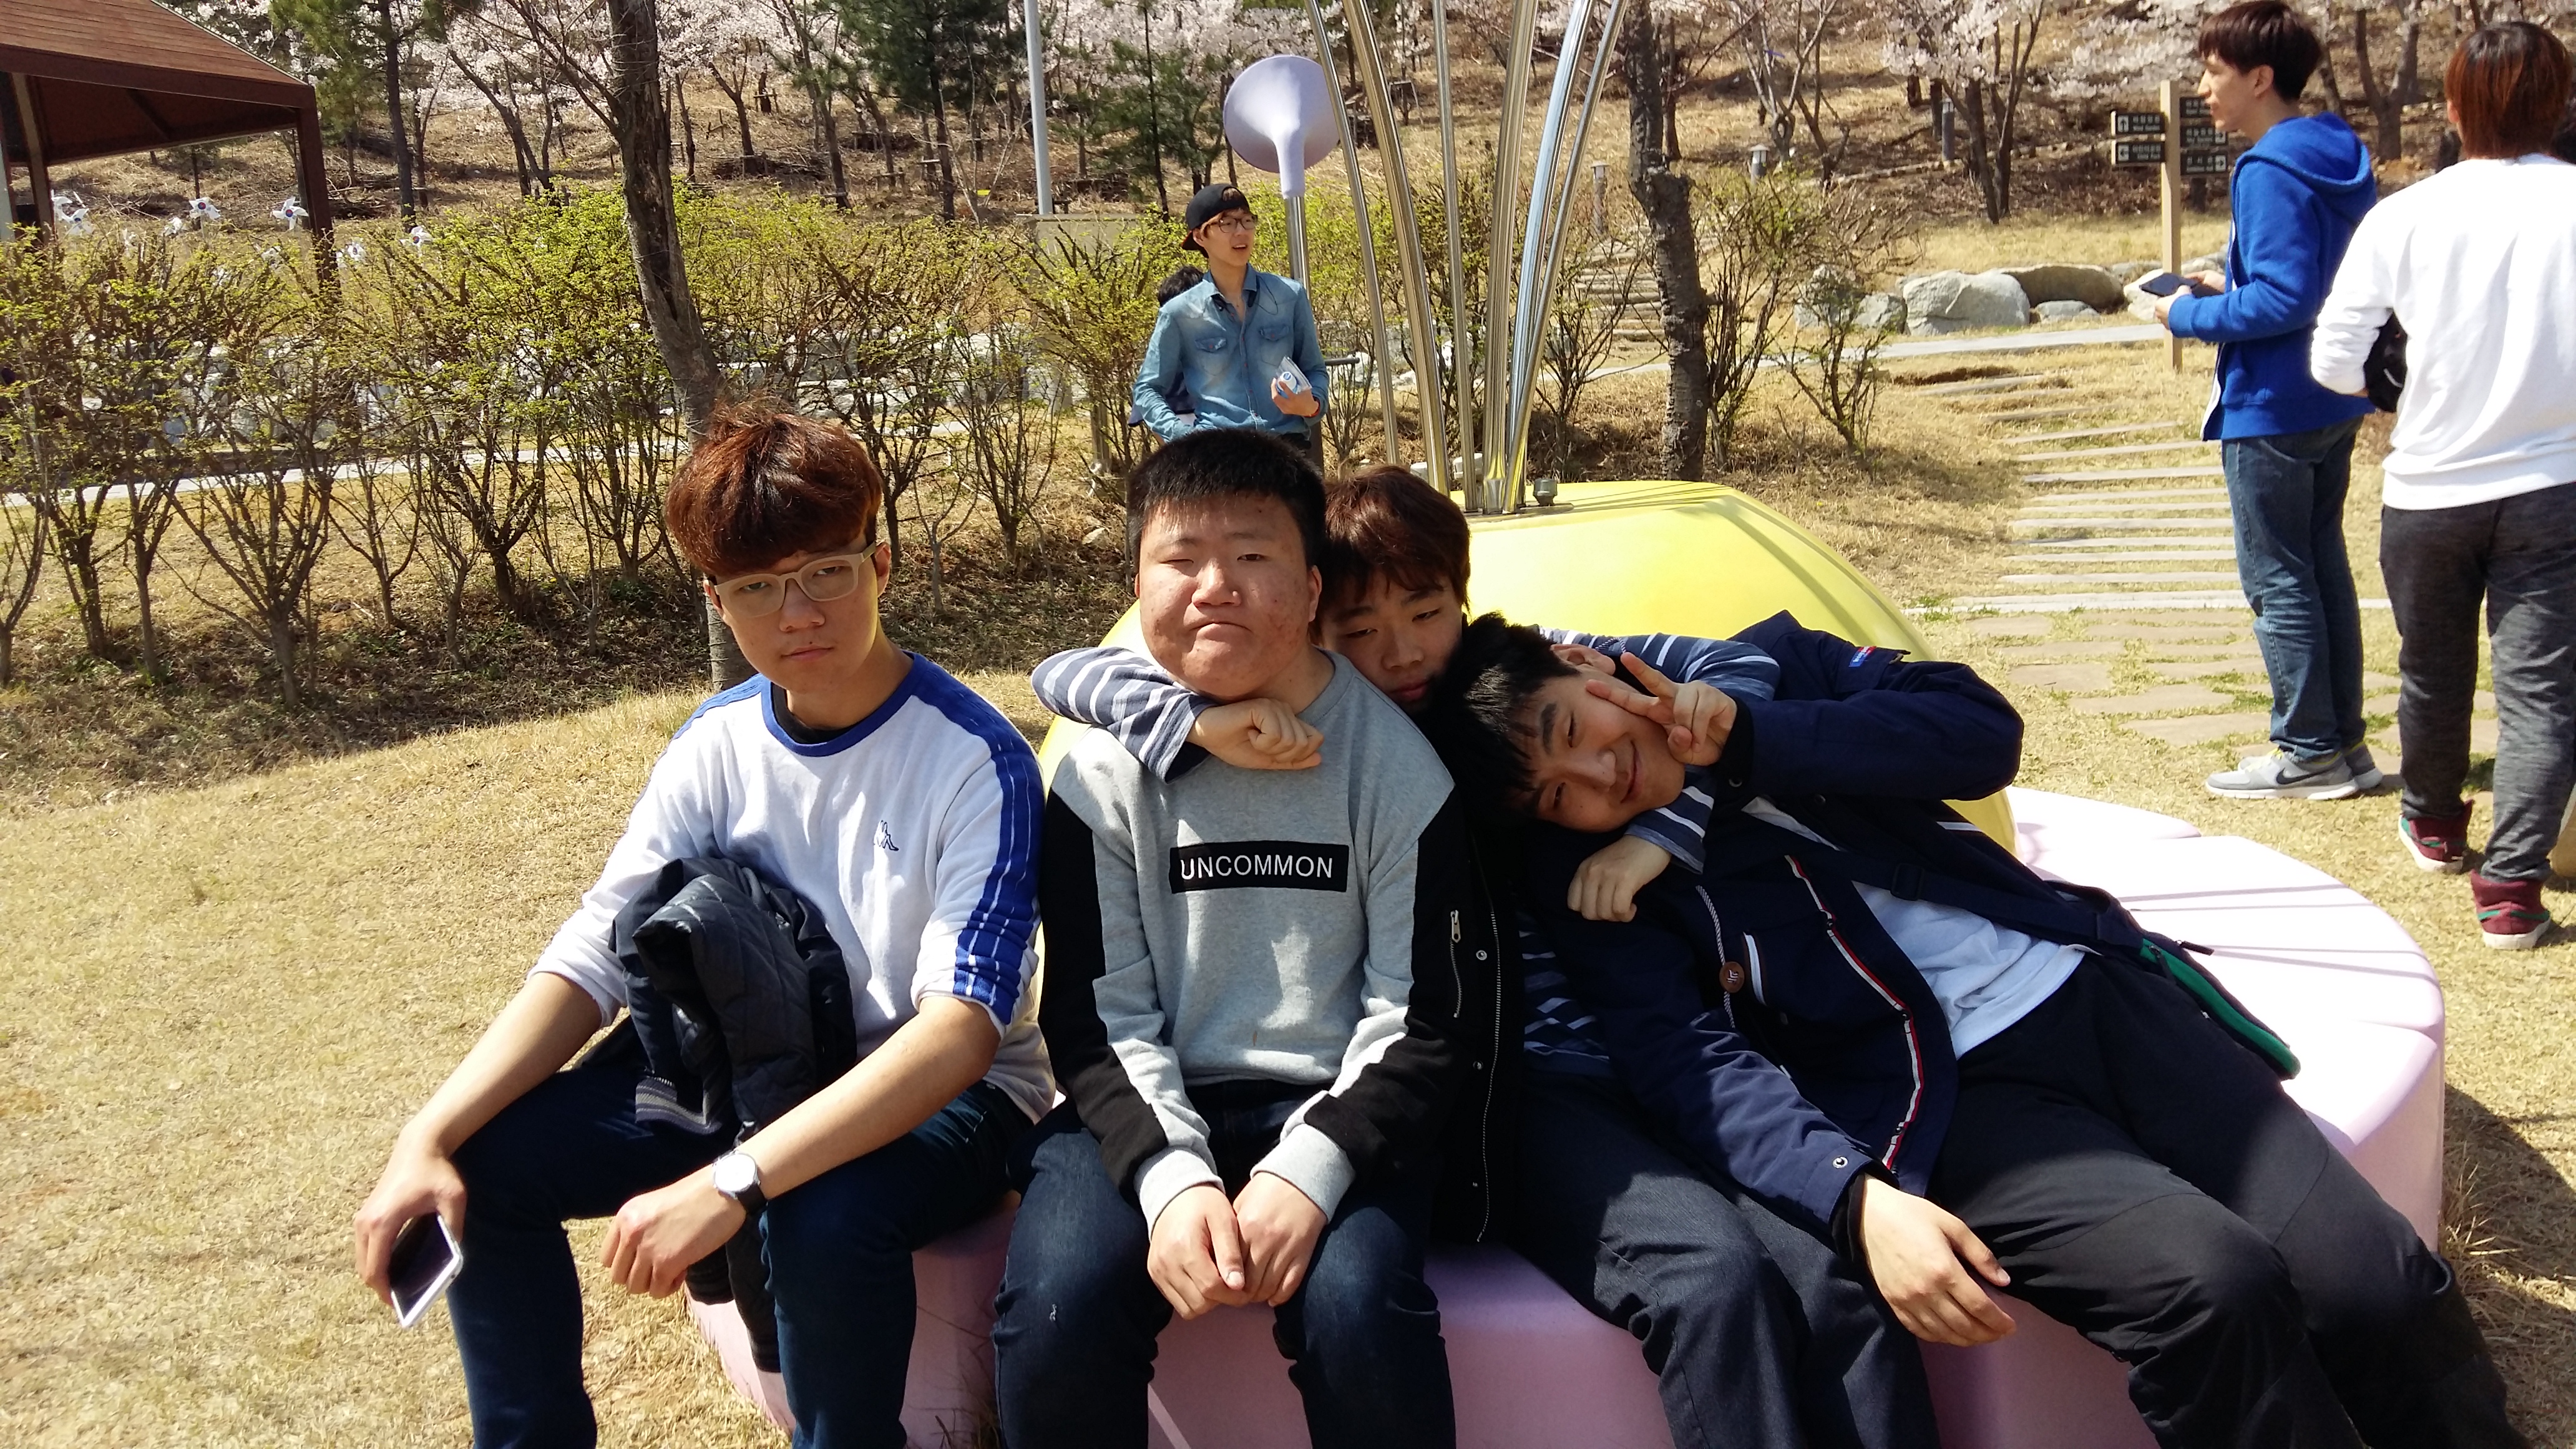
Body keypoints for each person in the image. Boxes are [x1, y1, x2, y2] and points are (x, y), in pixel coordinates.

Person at [1417, 612, 2529, 1449]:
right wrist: (1850, 1193)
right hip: (1947, 1100)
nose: (1596, 773)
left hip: (2099, 1000)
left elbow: (1976, 731)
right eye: (1555, 794)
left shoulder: (1773, 669)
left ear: (1586, 664)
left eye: (1574, 729)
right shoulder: (1594, 885)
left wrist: (1749, 743)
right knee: (2209, 1286)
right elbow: (1683, 1060)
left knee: (2372, 1277)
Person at [1029, 468, 1933, 1449]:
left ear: (1461, 597)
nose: (1402, 650)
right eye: (1364, 628)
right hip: (1535, 1073)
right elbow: (1072, 674)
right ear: (1317, 614)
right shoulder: (1339, 729)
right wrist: (1188, 721)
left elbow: (1732, 679)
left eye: (1426, 612)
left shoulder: (1519, 678)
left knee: (1827, 1281)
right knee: (1713, 1275)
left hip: (1668, 1037)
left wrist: (1661, 832)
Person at [350, 407, 1049, 1449]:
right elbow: (594, 952)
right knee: (486, 1169)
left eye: (826, 572)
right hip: (755, 1069)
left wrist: (733, 1179)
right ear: (716, 600)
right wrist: (428, 1134)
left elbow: (959, 1033)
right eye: (757, 586)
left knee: (820, 1208)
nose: (797, 612)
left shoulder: (973, 758)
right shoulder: (715, 744)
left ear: (881, 565)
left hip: (945, 1099)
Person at [990, 431, 1503, 1449]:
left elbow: (1420, 1018)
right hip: (1143, 1099)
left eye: (1252, 554)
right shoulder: (1097, 773)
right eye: (1180, 558)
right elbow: (1096, 1015)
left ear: (1312, 589)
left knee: (1361, 1309)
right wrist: (1171, 1178)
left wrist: (1306, 1172)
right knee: (1056, 1307)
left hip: (1337, 1106)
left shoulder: (1396, 768)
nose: (1214, 586)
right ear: (1137, 585)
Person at [2311, 21, 2576, 948]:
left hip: (2429, 486)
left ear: (2456, 107)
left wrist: (2395, 386)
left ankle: (2432, 819)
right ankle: (2512, 886)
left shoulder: (2406, 215)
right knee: (2542, 690)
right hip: (2557, 483)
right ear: (2561, 102)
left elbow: (2334, 359)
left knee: (2433, 668)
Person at [2151, 1, 2381, 801]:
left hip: (2272, 405)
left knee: (2278, 578)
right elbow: (2317, 279)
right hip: (2333, 395)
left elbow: (2284, 299)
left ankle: (2308, 753)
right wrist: (2231, 282)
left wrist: (2185, 315)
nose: (2203, 88)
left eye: (2213, 72)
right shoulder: (2338, 151)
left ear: (2258, 78)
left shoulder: (2267, 167)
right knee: (2321, 570)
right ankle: (2344, 745)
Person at [1133, 183, 1330, 469]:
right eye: (1227, 223)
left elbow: (1315, 369)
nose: (1241, 232)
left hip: (1288, 453)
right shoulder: (1179, 313)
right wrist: (1184, 439)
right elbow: (1147, 388)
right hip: (1218, 460)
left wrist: (1312, 405)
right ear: (1200, 236)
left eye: (1247, 220)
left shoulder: (1290, 296)